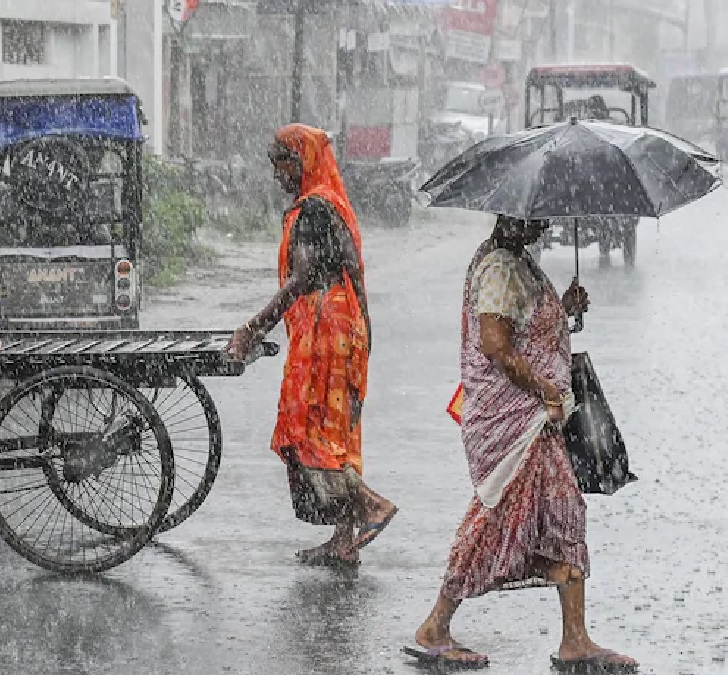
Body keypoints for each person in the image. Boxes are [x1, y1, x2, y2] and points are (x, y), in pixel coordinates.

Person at [405, 216, 636, 672]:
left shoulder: (518, 262)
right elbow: (496, 344)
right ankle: (435, 626)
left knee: (562, 512)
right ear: (514, 214)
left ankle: (575, 639)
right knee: (498, 515)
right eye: (538, 215)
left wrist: (563, 310)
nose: (546, 222)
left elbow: (524, 329)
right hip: (516, 420)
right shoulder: (499, 266)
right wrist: (544, 389)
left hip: (538, 421)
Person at [227, 124, 398, 567]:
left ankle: (370, 506)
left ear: (301, 161)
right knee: (335, 429)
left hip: (325, 327)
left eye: (282, 163)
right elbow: (356, 281)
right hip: (345, 325)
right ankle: (344, 539)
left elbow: (300, 279)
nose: (277, 174)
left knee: (306, 428)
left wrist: (253, 327)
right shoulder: (332, 205)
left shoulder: (313, 211)